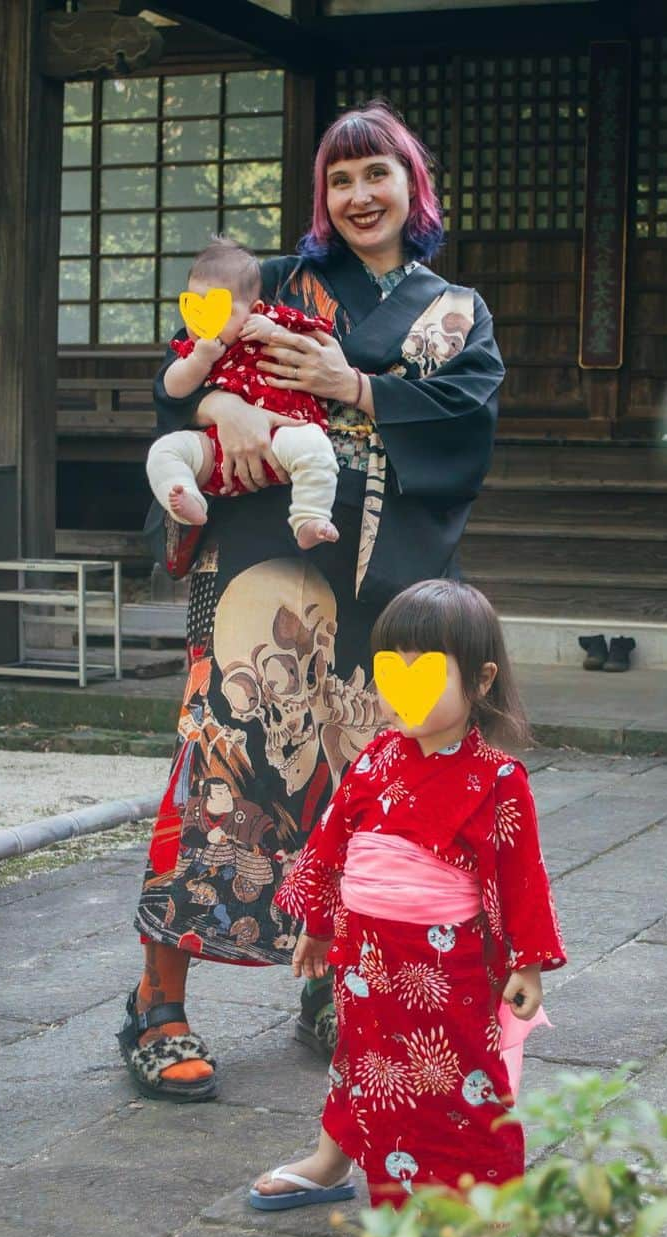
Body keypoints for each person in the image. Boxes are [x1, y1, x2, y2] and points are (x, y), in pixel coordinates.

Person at [118, 101, 506, 1104]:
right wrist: (228, 405)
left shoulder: (454, 309)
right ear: (322, 199)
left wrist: (355, 385)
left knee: (366, 793)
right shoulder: (277, 285)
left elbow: (466, 421)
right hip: (263, 569)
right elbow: (176, 381)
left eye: (376, 173)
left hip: (386, 583)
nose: (359, 195)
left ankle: (333, 987)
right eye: (339, 179)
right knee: (228, 772)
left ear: (411, 187)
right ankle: (157, 1004)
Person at [250, 579, 566, 1237]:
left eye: (425, 672)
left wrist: (529, 964)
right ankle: (333, 1161)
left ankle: (492, 1211)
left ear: (481, 678)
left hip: (446, 966)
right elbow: (333, 847)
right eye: (392, 670)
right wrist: (320, 926)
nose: (402, 692)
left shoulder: (498, 779)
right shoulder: (372, 761)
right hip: (365, 957)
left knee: (464, 1086)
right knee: (358, 1061)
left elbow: (522, 878)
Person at [146, 237, 340, 549]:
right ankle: (185, 496)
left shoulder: (272, 323)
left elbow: (317, 348)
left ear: (255, 310)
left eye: (219, 309)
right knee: (164, 451)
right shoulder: (193, 347)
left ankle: (310, 516)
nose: (203, 320)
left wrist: (273, 331)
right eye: (195, 307)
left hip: (280, 435)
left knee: (314, 446)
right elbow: (172, 390)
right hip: (216, 446)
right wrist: (199, 360)